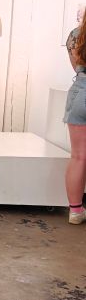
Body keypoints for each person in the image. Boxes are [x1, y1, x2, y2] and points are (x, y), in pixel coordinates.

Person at [64, 12, 86, 223]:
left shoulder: (75, 34)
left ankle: (76, 211)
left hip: (81, 91)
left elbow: (75, 65)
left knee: (79, 156)